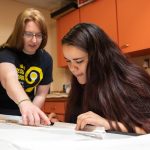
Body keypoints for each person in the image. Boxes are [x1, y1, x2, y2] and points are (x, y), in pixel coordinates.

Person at [49, 23, 150, 134]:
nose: (72, 69)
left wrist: (108, 124)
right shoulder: (83, 82)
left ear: (99, 57)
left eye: (79, 61)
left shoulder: (131, 81)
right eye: (68, 61)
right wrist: (60, 125)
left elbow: (146, 129)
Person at [0, 8, 53, 126]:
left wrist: (31, 114)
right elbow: (10, 79)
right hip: (2, 116)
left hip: (24, 115)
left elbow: (40, 94)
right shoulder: (5, 53)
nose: (34, 40)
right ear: (19, 33)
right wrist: (25, 103)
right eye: (29, 34)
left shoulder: (46, 59)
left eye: (39, 35)